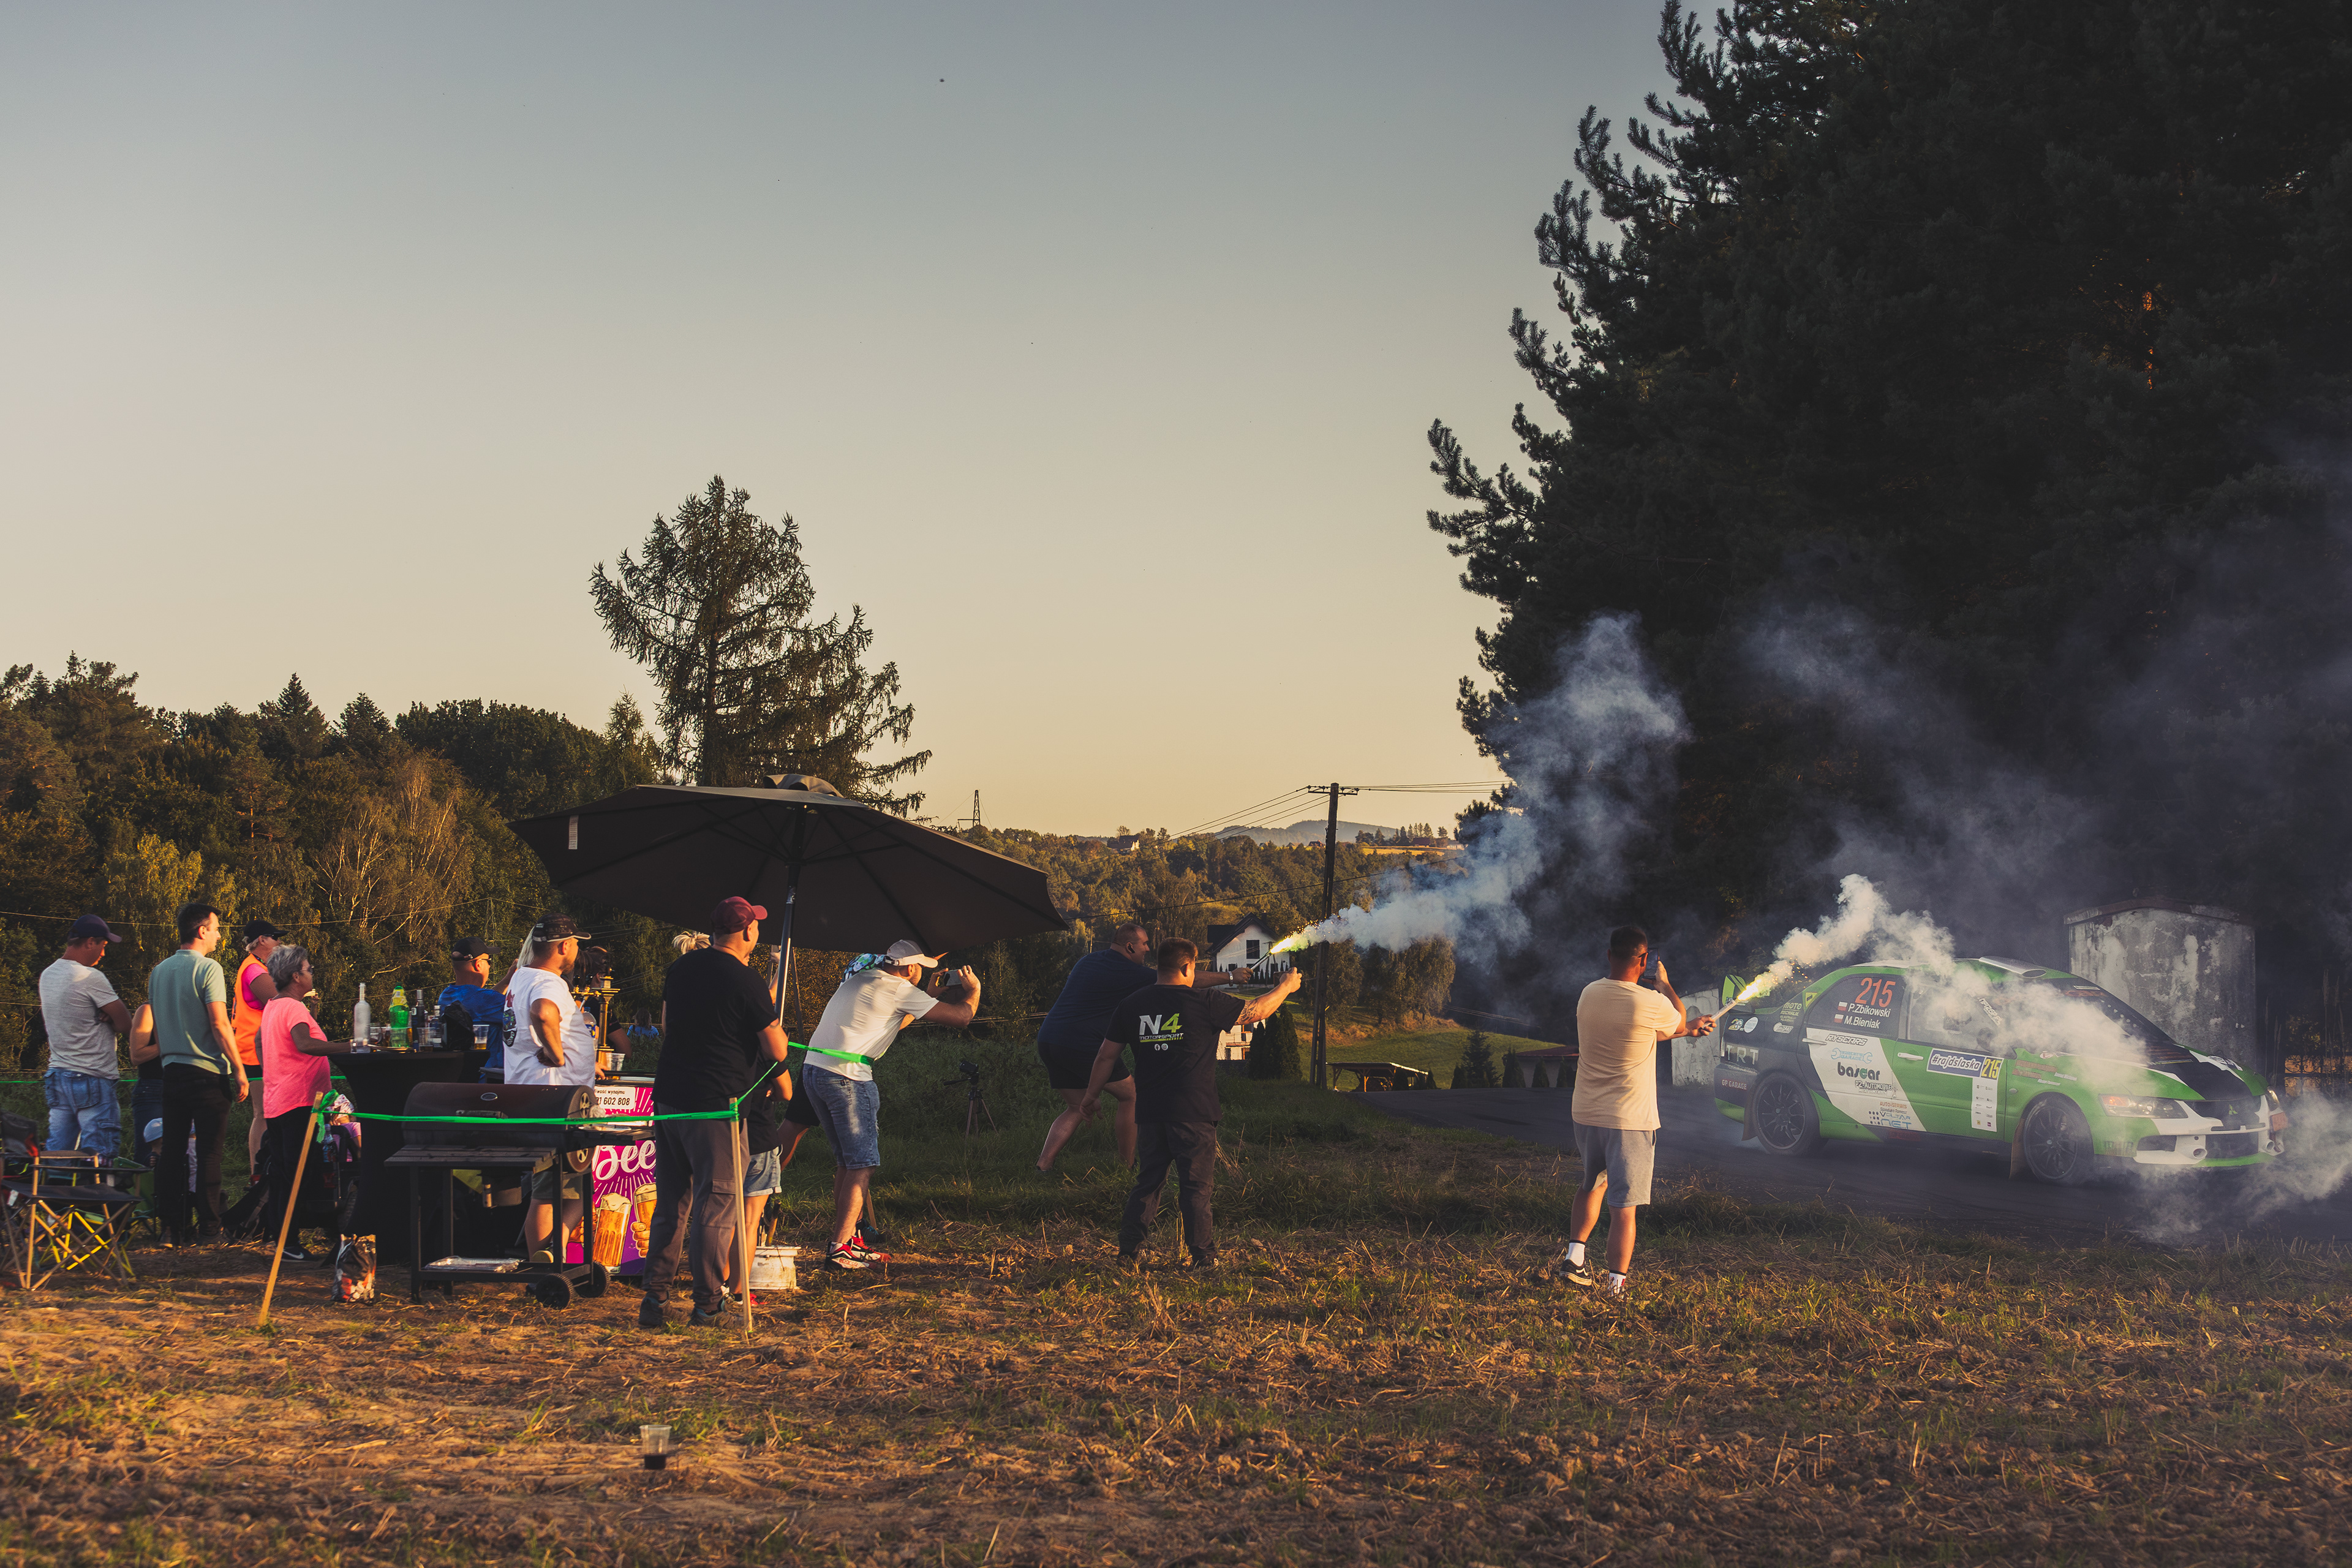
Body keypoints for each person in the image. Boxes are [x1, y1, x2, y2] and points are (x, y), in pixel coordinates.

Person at [1084, 938, 1301, 1270]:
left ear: (1161, 965)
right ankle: (1203, 1258)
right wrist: (1285, 987)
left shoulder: (1132, 1004)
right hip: (1194, 1112)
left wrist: (1090, 1096)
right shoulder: (1206, 1001)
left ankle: (1127, 1253)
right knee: (1196, 1188)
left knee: (1148, 1183)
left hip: (1151, 1112)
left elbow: (1105, 1056)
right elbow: (1255, 1011)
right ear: (1188, 967)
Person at [640, 897, 792, 1327]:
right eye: (756, 925)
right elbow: (777, 1050)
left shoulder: (681, 968)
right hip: (716, 1106)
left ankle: (654, 1301)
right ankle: (708, 1305)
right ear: (747, 931)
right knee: (717, 1204)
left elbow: (667, 1025)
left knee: (672, 1204)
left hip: (669, 1100)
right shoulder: (745, 978)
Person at [802, 941, 982, 1271]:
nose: (920, 973)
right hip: (849, 1076)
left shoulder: (863, 978)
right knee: (862, 1164)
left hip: (816, 1071)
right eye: (921, 968)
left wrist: (928, 996)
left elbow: (892, 1022)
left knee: (847, 1162)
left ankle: (850, 1240)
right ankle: (840, 1248)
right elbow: (962, 1018)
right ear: (910, 967)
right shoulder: (900, 989)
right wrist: (974, 990)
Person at [1558, 925, 1715, 1298]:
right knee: (1624, 1206)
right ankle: (1616, 1288)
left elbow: (1647, 1031)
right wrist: (1665, 985)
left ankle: (1574, 1259)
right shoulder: (1652, 1000)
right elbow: (1676, 1018)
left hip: (1587, 1112)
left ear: (1609, 955)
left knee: (1592, 1183)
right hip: (1629, 1119)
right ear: (1644, 961)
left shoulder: (1589, 993)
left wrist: (1687, 1031)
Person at [1035, 922, 1246, 1172]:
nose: (1148, 949)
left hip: (1048, 1040)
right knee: (1131, 1096)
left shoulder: (1088, 961)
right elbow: (1184, 979)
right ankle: (1127, 1166)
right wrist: (1231, 977)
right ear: (1129, 947)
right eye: (1144, 944)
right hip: (1082, 1043)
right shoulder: (1129, 971)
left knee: (1076, 1107)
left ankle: (1043, 1166)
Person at [149, 901, 250, 1245]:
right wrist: (238, 1069)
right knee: (209, 1153)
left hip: (171, 1072)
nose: (220, 936)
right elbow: (220, 1024)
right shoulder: (209, 969)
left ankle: (170, 1228)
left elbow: (159, 1026)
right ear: (202, 930)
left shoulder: (159, 971)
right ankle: (210, 1229)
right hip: (206, 1073)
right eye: (217, 929)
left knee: (172, 1150)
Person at [504, 912, 600, 1257]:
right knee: (549, 1192)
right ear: (563, 947)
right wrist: (557, 1055)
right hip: (557, 1101)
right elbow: (543, 1012)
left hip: (537, 1095)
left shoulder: (521, 976)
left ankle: (552, 1255)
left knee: (574, 1186)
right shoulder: (548, 982)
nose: (577, 950)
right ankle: (543, 1270)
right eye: (575, 944)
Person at [254, 943, 350, 1261]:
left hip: (278, 1099)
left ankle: (284, 1238)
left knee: (285, 1172)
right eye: (309, 969)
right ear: (296, 976)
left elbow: (258, 1041)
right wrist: (350, 1046)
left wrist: (272, 1070)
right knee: (298, 1174)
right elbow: (304, 1044)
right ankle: (290, 1241)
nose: (311, 974)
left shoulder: (273, 1005)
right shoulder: (294, 1008)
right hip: (298, 1101)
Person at [37, 913, 134, 1163]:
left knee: (57, 1154)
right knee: (99, 1156)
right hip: (92, 1076)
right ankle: (96, 1190)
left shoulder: (48, 975)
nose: (103, 953)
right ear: (90, 942)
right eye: (103, 945)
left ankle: (55, 1187)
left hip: (58, 1074)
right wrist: (110, 1017)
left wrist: (106, 1014)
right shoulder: (90, 977)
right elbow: (126, 1025)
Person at [230, 919, 284, 1174]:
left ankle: (263, 1171)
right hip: (254, 1050)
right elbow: (279, 1001)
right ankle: (258, 1173)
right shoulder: (254, 969)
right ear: (262, 940)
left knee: (266, 1113)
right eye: (276, 937)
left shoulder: (255, 966)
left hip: (259, 1048)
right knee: (263, 1113)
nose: (279, 942)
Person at [437, 937, 509, 1075]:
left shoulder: (446, 996)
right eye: (489, 961)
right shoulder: (484, 1000)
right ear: (478, 964)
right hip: (490, 1077)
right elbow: (524, 1011)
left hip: (466, 1075)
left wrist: (507, 980)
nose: (490, 966)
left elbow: (483, 1003)